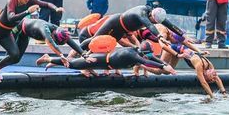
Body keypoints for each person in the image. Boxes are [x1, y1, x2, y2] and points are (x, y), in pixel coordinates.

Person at [0, 18, 86, 82]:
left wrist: (84, 54)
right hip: (17, 30)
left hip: (24, 34)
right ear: (54, 36)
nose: (59, 44)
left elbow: (71, 42)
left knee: (16, 58)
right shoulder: (45, 30)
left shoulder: (59, 31)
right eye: (58, 42)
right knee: (12, 55)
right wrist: (61, 55)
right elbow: (51, 43)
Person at [82, 5, 176, 51]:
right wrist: (160, 37)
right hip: (114, 23)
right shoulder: (142, 13)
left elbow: (171, 26)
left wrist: (183, 35)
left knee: (110, 44)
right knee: (95, 39)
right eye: (154, 21)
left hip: (122, 29)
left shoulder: (154, 17)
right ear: (151, 15)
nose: (154, 23)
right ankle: (76, 51)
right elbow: (149, 25)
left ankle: (86, 56)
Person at [37, 47, 176, 76]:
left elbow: (151, 59)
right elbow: (146, 62)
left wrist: (165, 65)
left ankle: (55, 61)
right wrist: (164, 65)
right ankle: (48, 58)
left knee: (74, 62)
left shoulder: (140, 53)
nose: (147, 58)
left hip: (106, 63)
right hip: (98, 60)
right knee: (73, 64)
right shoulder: (132, 55)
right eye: (147, 56)